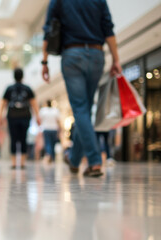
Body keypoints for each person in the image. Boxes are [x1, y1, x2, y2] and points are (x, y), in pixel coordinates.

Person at [42, 0, 122, 177]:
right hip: (96, 54)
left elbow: (48, 30)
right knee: (84, 110)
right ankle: (75, 160)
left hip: (72, 54)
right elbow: (108, 29)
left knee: (80, 109)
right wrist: (116, 59)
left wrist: (45, 61)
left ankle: (94, 162)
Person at [0, 68, 40, 169]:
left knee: (13, 138)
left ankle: (14, 163)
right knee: (23, 138)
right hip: (25, 116)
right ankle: (22, 162)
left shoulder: (9, 88)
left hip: (12, 116)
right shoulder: (27, 88)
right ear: (22, 76)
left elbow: (3, 104)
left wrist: (0, 116)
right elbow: (33, 103)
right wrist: (37, 116)